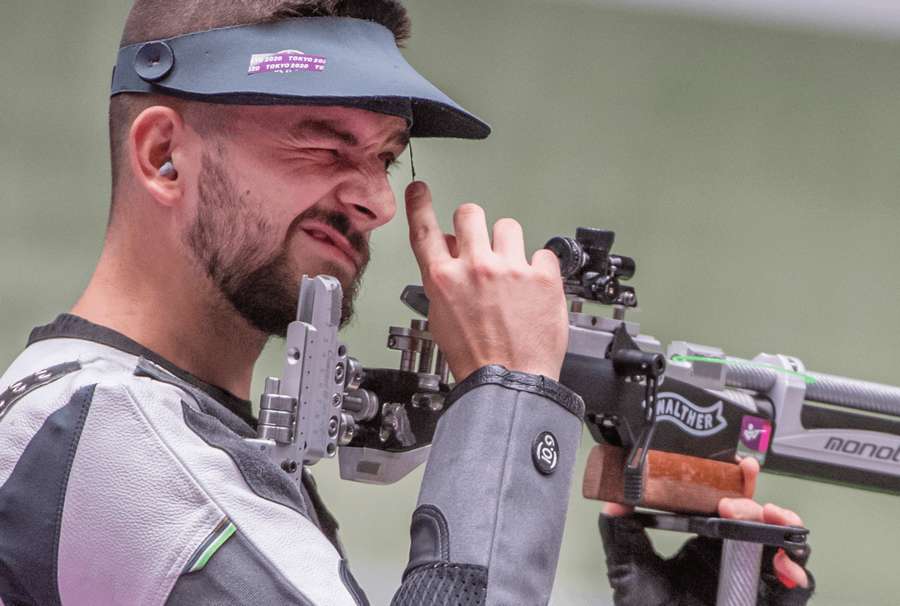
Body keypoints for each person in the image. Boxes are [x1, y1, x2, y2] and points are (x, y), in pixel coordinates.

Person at [0, 1, 813, 605]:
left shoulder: (182, 439)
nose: (376, 202)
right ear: (164, 155)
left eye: (385, 159)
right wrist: (506, 396)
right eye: (323, 144)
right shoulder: (103, 433)